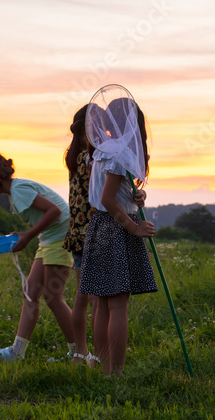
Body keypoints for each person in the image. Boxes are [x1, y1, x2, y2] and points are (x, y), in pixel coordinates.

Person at [77, 101, 157, 376]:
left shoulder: (103, 150)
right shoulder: (121, 152)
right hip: (116, 227)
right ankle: (116, 372)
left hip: (98, 226)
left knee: (102, 301)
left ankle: (104, 370)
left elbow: (113, 191)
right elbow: (108, 199)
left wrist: (138, 195)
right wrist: (133, 228)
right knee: (118, 303)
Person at [0, 153, 77, 362]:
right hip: (49, 239)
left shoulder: (18, 190)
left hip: (60, 239)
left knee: (53, 298)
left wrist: (28, 236)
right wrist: (22, 235)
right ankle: (16, 353)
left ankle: (78, 352)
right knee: (31, 293)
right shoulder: (16, 191)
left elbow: (54, 211)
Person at [61, 105, 98, 366]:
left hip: (76, 233)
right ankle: (99, 354)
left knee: (81, 297)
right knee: (98, 299)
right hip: (94, 232)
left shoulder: (74, 156)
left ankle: (79, 353)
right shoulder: (92, 158)